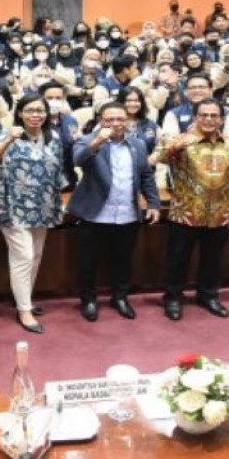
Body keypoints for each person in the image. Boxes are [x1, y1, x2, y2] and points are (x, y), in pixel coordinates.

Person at [68, 102, 161, 322]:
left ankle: (119, 297)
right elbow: (78, 160)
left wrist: (154, 204)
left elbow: (146, 176)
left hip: (128, 213)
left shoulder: (138, 145)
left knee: (123, 260)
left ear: (127, 120)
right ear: (101, 120)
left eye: (120, 119)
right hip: (96, 214)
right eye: (110, 119)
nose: (116, 124)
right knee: (88, 262)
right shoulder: (87, 140)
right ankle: (88, 300)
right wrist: (97, 141)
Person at [159, 98, 229, 321]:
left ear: (221, 119)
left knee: (213, 260)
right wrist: (176, 145)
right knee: (177, 259)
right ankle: (173, 298)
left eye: (213, 115)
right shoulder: (182, 141)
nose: (208, 119)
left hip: (219, 214)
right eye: (204, 115)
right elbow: (157, 158)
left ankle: (208, 296)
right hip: (185, 213)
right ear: (196, 117)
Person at [0, 94, 70, 334]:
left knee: (35, 255)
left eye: (40, 110)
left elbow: (58, 172)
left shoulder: (53, 138)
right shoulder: (9, 134)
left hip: (44, 205)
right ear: (20, 113)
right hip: (13, 206)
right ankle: (24, 309)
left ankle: (24, 300)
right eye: (30, 110)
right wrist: (8, 141)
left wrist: (59, 202)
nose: (35, 115)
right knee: (23, 256)